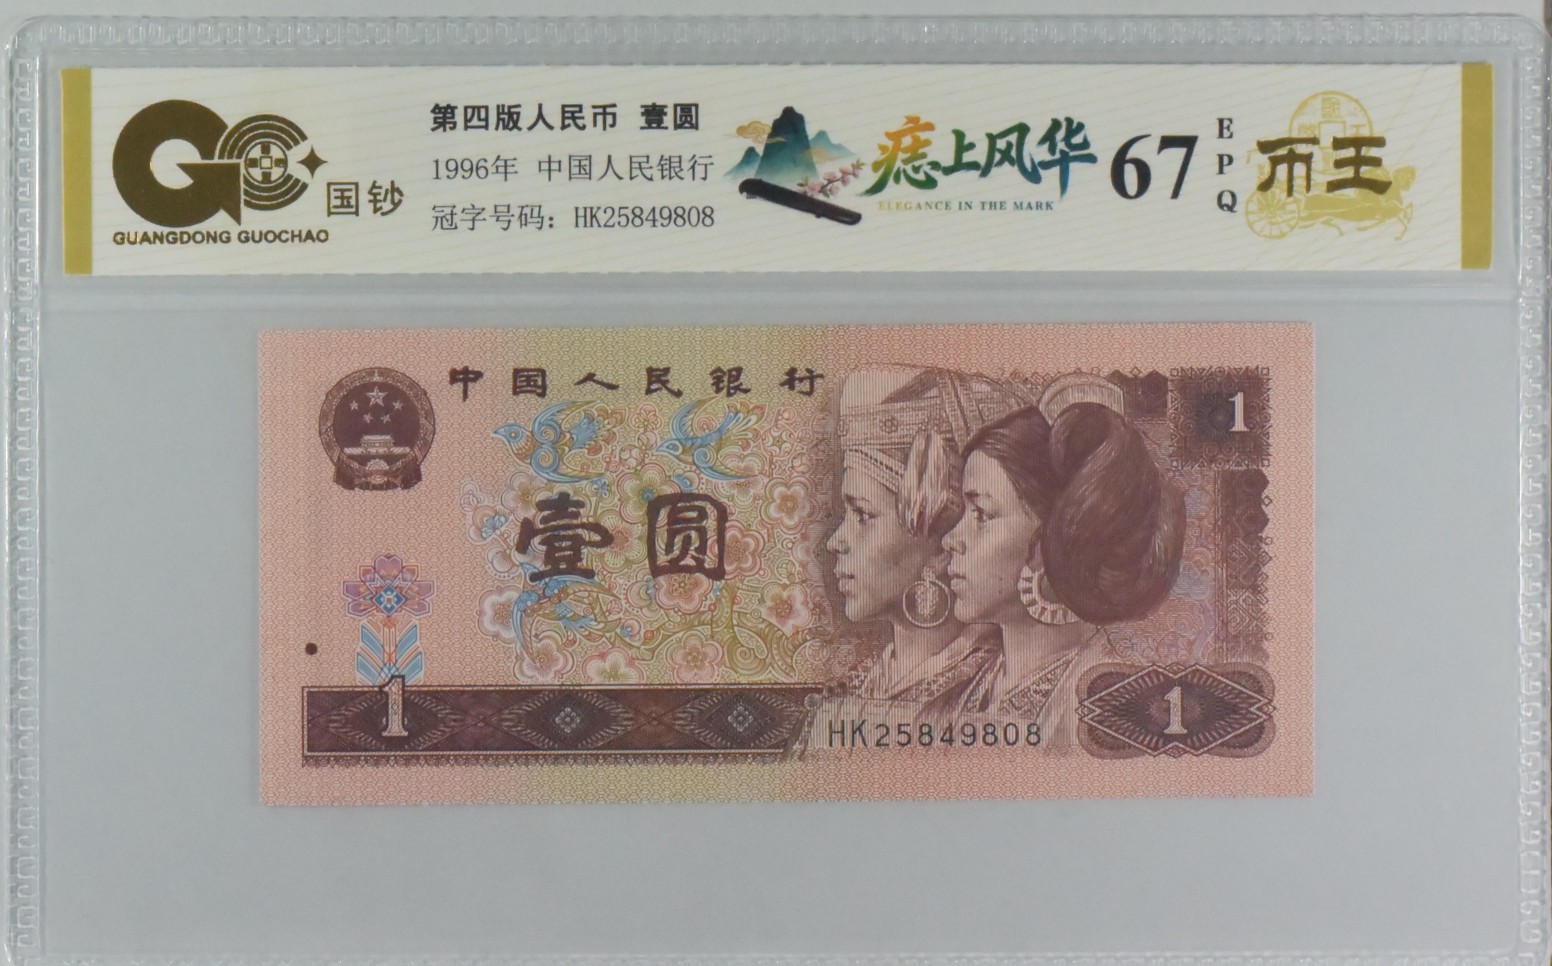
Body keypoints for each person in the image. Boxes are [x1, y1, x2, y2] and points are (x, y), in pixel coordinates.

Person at [938, 372, 1185, 750]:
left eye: (982, 514)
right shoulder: (957, 695)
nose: (950, 540)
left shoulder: (1112, 708)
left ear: (1052, 539)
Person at [816, 366, 1026, 726]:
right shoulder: (854, 691)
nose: (836, 541)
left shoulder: (999, 699)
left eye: (863, 514)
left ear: (943, 541)